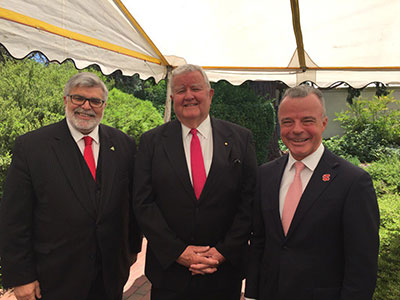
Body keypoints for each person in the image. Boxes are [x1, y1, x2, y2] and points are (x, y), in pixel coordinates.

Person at [0, 72, 142, 300]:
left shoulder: (123, 144)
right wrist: (20, 277)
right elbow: (14, 219)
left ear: (104, 105)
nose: (86, 106)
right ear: (66, 100)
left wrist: (132, 249)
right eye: (78, 98)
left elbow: (132, 203)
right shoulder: (32, 147)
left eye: (95, 101)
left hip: (110, 275)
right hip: (55, 278)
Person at [133, 64, 257, 300]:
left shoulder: (241, 139)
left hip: (224, 272)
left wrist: (222, 252)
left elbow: (249, 200)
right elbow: (143, 203)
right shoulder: (151, 142)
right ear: (172, 98)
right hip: (169, 273)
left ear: (210, 94)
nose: (188, 95)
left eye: (195, 89)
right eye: (181, 90)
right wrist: (178, 252)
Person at [245, 85, 380, 300]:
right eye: (288, 122)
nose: (297, 129)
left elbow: (362, 264)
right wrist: (252, 294)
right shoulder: (265, 175)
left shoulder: (353, 182)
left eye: (307, 121)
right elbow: (260, 242)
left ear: (324, 123)